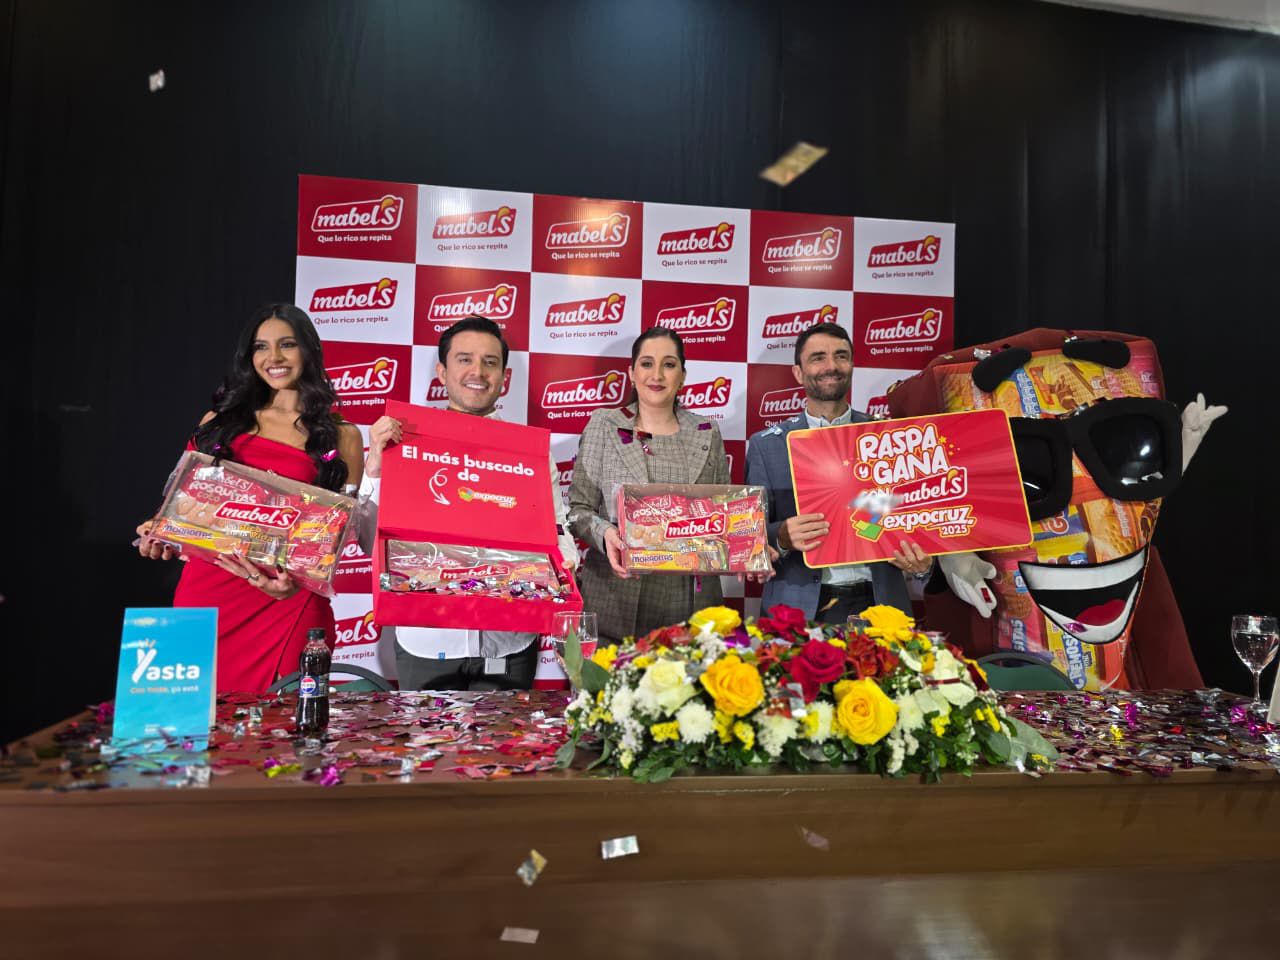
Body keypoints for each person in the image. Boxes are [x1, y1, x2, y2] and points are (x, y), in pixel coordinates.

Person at [137, 304, 363, 692]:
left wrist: (294, 584)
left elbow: (334, 539)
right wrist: (159, 534)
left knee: (290, 721)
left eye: (287, 344)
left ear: (309, 350)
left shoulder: (344, 437)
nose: (273, 357)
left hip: (288, 603)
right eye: (261, 347)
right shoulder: (219, 423)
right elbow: (182, 507)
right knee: (194, 717)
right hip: (209, 595)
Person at [359, 316, 578, 690]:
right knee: (426, 732)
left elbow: (557, 530)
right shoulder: (403, 443)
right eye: (465, 360)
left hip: (509, 640)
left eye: (490, 362)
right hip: (426, 640)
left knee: (508, 732)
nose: (478, 371)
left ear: (504, 377)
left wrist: (563, 566)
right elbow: (369, 543)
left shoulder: (530, 454)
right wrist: (376, 467)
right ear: (442, 373)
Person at [745, 322, 931, 624]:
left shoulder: (890, 438)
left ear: (852, 365)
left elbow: (919, 520)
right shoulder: (766, 446)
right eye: (818, 357)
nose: (831, 366)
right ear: (798, 372)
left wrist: (923, 565)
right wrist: (782, 536)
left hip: (882, 604)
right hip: (797, 607)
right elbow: (748, 537)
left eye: (841, 356)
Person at [567, 326, 734, 645]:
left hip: (690, 606)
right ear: (631, 373)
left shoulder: (707, 431)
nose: (656, 374)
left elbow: (724, 515)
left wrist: (746, 544)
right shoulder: (604, 424)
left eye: (669, 364)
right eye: (646, 363)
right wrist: (606, 534)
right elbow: (577, 511)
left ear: (682, 376)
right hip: (615, 601)